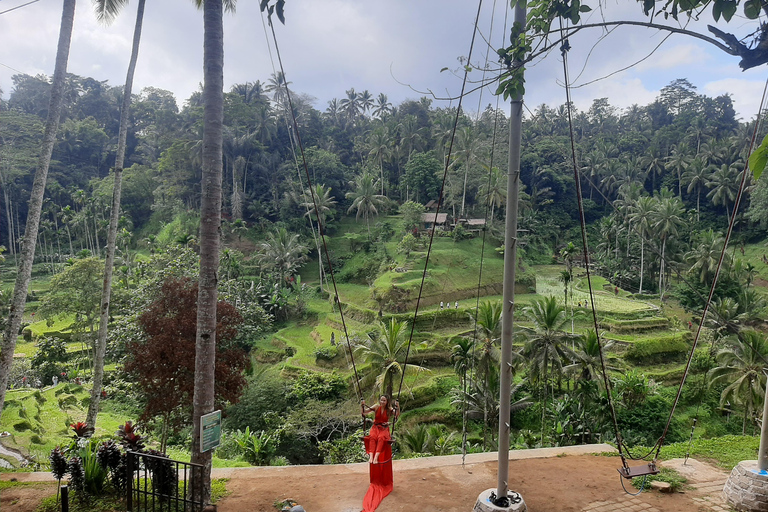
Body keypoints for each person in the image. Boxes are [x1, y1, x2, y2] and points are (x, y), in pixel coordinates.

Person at [361, 395, 400, 464]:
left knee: (381, 438)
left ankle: (376, 457)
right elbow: (364, 412)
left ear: (387, 401)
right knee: (372, 437)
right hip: (375, 427)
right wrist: (362, 405)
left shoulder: (389, 409)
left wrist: (397, 406)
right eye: (381, 400)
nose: (382, 402)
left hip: (384, 428)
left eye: (384, 400)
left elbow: (396, 414)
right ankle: (371, 457)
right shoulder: (376, 407)